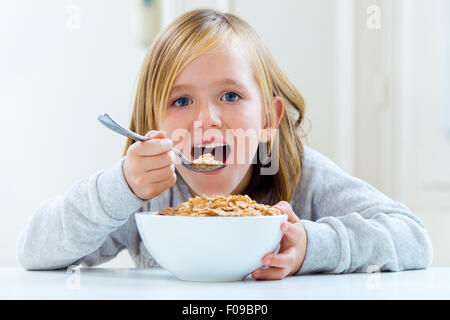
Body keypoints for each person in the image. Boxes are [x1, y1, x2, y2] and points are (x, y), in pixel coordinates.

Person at [17, 9, 433, 280]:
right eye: (181, 101)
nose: (206, 120)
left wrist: (311, 246)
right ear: (153, 129)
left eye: (230, 96)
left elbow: (414, 238)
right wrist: (119, 187)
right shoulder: (145, 196)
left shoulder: (300, 177)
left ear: (268, 120)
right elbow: (35, 251)